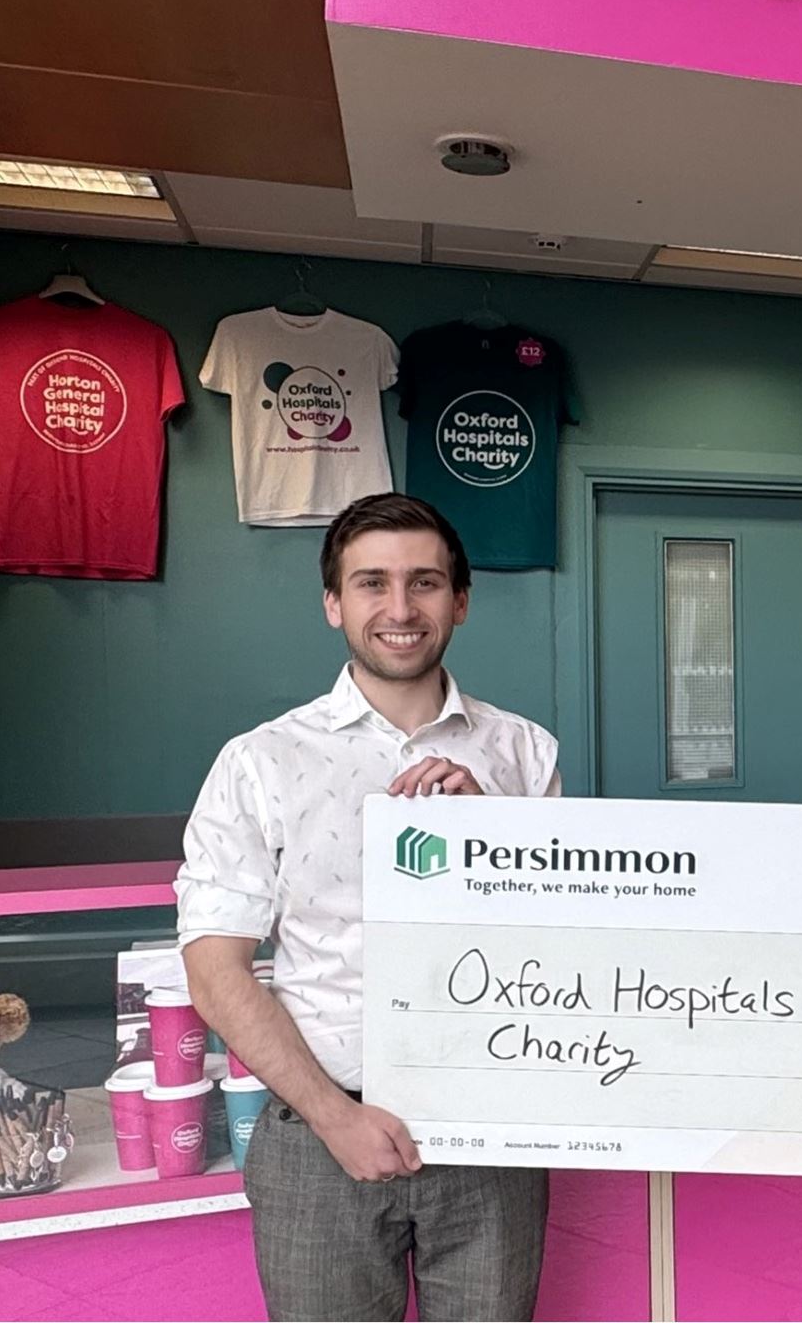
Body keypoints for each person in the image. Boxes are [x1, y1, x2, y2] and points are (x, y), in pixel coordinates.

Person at [175, 493, 563, 1321]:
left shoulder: (524, 753)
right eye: (371, 583)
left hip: (491, 1134)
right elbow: (214, 971)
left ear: (461, 600)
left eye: (425, 582)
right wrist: (333, 1119)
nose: (400, 609)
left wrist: (497, 841)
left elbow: (561, 951)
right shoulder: (261, 762)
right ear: (333, 603)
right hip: (320, 1138)